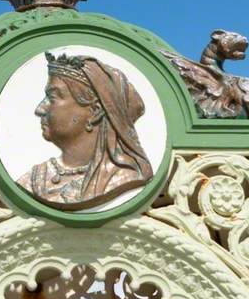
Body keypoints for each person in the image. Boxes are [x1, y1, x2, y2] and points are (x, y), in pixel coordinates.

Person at [17, 52, 153, 210]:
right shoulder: (33, 179)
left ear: (95, 111)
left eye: (53, 97)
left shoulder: (124, 177)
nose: (39, 109)